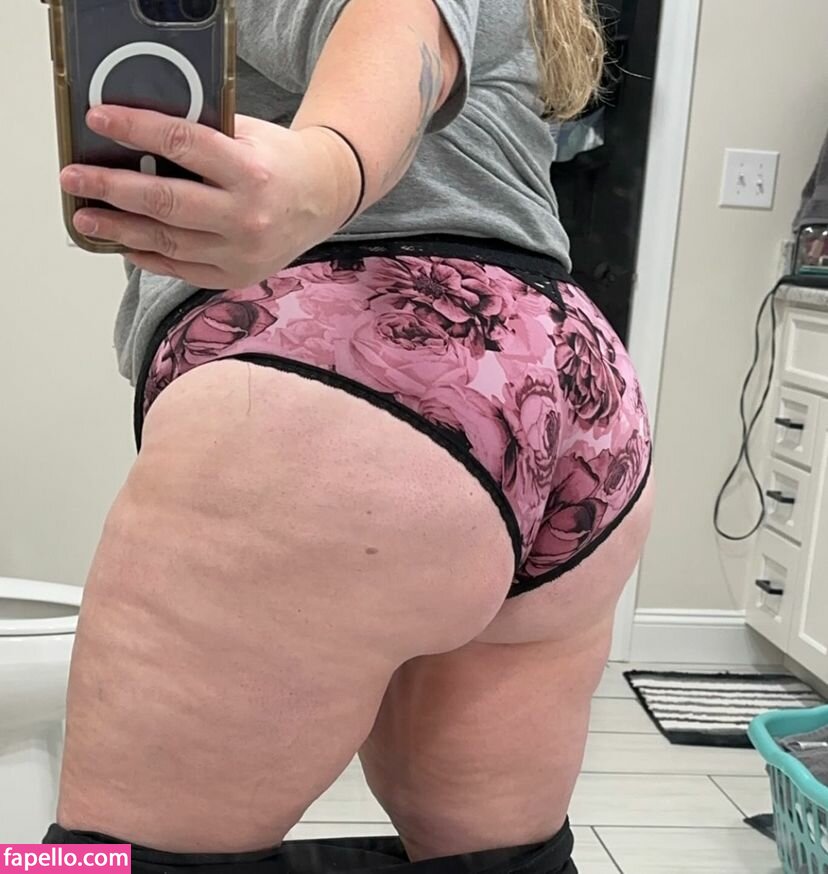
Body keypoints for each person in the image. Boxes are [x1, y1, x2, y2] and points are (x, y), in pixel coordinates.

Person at [46, 1, 655, 872]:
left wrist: (323, 171)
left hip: (340, 362)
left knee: (102, 866)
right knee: (505, 862)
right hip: (570, 385)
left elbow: (399, 14)